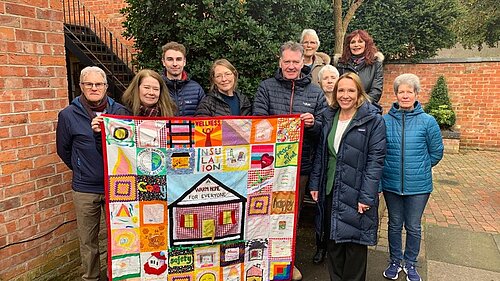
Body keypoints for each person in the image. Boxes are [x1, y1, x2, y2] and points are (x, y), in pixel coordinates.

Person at [253, 41, 327, 281]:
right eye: (287, 62)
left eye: (296, 62)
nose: (292, 66)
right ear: (280, 62)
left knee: (290, 215)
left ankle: (288, 262)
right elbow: (258, 122)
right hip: (267, 165)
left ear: (303, 62)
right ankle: (260, 260)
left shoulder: (315, 92)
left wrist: (313, 124)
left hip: (300, 167)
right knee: (262, 214)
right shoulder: (266, 87)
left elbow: (324, 128)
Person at [308, 72, 386, 281]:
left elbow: (375, 161)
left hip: (357, 191)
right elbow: (321, 153)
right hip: (331, 187)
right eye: (341, 90)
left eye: (350, 90)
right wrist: (315, 182)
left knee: (354, 246)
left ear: (359, 93)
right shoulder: (328, 116)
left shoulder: (373, 120)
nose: (345, 95)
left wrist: (366, 196)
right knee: (333, 242)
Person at [56, 66, 130, 281]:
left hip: (118, 186)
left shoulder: (120, 112)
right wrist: (82, 168)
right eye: (89, 84)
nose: (94, 88)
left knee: (120, 237)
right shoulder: (68, 115)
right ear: (81, 86)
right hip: (85, 188)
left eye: (99, 84)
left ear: (106, 87)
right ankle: (90, 277)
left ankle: (116, 276)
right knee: (88, 241)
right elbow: (64, 150)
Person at [381, 74, 444, 281]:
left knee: (414, 226)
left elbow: (436, 152)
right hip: (391, 183)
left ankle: (411, 263)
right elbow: (379, 152)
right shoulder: (385, 121)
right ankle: (394, 261)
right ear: (396, 94)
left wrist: (421, 168)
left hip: (419, 186)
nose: (405, 95)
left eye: (409, 91)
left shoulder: (428, 122)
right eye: (402, 91)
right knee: (394, 224)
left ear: (416, 94)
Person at [310, 64, 340, 265]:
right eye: (325, 78)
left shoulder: (344, 103)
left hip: (335, 164)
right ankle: (320, 246)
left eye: (333, 77)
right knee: (320, 210)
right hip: (317, 161)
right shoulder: (316, 101)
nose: (329, 81)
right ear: (319, 81)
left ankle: (333, 247)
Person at [334, 29, 384, 103]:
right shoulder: (340, 64)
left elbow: (376, 91)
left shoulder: (376, 63)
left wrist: (359, 104)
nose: (356, 45)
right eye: (353, 42)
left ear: (366, 44)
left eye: (360, 41)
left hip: (368, 108)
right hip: (344, 106)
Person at [161, 41, 205, 116]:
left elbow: (204, 118)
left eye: (178, 59)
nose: (175, 64)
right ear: (163, 62)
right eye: (170, 59)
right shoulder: (157, 87)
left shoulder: (196, 89)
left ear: (184, 62)